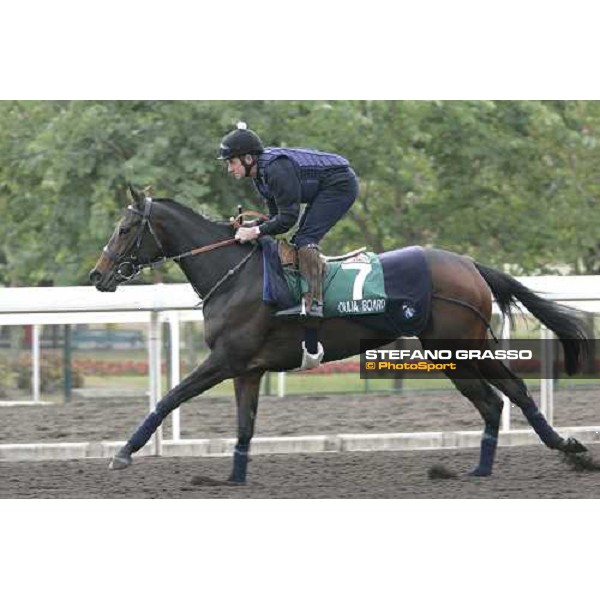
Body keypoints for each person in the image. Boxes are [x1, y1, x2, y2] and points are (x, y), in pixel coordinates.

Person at [218, 122, 359, 318]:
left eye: (231, 162)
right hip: (325, 186)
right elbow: (277, 218)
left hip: (340, 184)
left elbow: (288, 219)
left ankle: (314, 304)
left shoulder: (276, 170)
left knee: (304, 239)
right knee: (299, 239)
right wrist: (253, 225)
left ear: (248, 158)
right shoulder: (260, 176)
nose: (229, 169)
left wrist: (255, 232)